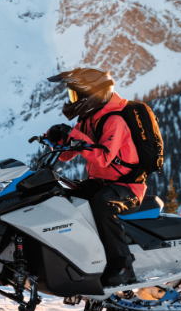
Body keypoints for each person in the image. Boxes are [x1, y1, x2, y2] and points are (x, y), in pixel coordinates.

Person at [44, 68, 144, 287]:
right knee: (64, 197)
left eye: (75, 95)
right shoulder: (90, 118)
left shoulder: (115, 120)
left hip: (126, 187)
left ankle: (122, 267)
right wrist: (55, 139)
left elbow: (103, 157)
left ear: (93, 96)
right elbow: (70, 153)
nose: (72, 101)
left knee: (101, 205)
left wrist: (74, 137)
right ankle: (81, 261)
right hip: (101, 183)